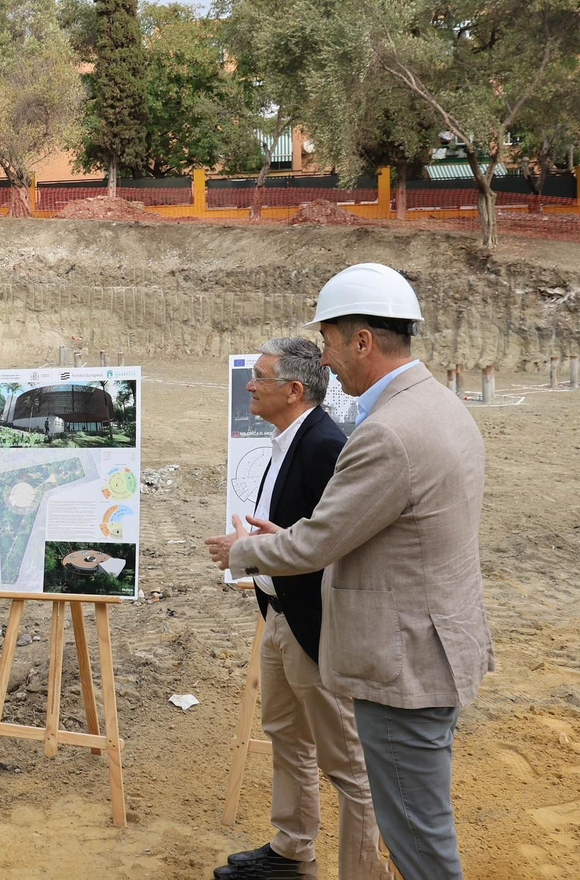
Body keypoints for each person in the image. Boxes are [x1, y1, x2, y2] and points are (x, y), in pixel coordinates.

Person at [206, 263, 492, 880]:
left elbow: (319, 542)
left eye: (331, 342)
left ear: (362, 340)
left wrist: (243, 552)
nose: (327, 360)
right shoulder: (440, 406)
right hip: (431, 645)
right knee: (416, 825)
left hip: (401, 661)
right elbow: (369, 532)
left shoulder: (386, 432)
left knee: (417, 840)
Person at [214, 338, 386, 880]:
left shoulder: (324, 447)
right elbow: (302, 532)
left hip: (315, 626)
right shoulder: (290, 438)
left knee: (345, 759)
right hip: (279, 613)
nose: (249, 385)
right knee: (285, 733)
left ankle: (363, 871)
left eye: (260, 377)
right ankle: (292, 847)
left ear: (293, 389)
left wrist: (267, 547)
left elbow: (338, 543)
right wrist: (276, 542)